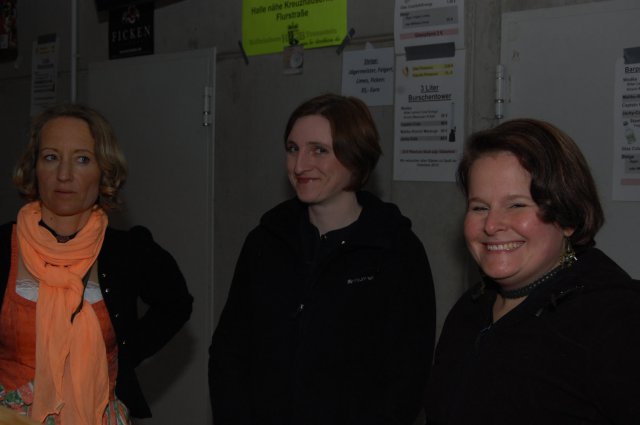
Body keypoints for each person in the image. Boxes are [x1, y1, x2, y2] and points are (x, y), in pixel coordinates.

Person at [209, 93, 436, 425]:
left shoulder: (396, 251)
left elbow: (408, 376)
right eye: (293, 149)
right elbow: (229, 352)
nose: (300, 165)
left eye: (319, 150)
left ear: (355, 156)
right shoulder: (265, 242)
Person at [424, 118, 640, 424]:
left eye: (516, 205)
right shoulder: (471, 309)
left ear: (567, 218)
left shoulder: (616, 320)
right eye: (480, 207)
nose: (491, 225)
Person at [0, 104, 193, 424]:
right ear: (34, 168)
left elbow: (177, 303)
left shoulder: (129, 251)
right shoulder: (2, 246)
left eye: (82, 159)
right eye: (51, 157)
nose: (64, 175)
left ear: (104, 169)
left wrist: (120, 356)